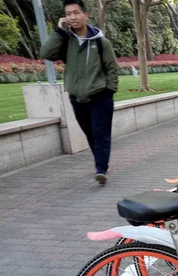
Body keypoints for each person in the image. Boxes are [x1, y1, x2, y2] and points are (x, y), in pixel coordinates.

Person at [41, 0, 119, 185]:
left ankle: (100, 168)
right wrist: (59, 30)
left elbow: (112, 68)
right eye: (68, 14)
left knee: (101, 134)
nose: (72, 17)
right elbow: (47, 53)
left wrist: (109, 91)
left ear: (86, 15)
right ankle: (102, 164)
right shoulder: (66, 41)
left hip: (100, 95)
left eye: (76, 12)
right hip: (77, 98)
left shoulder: (101, 42)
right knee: (90, 134)